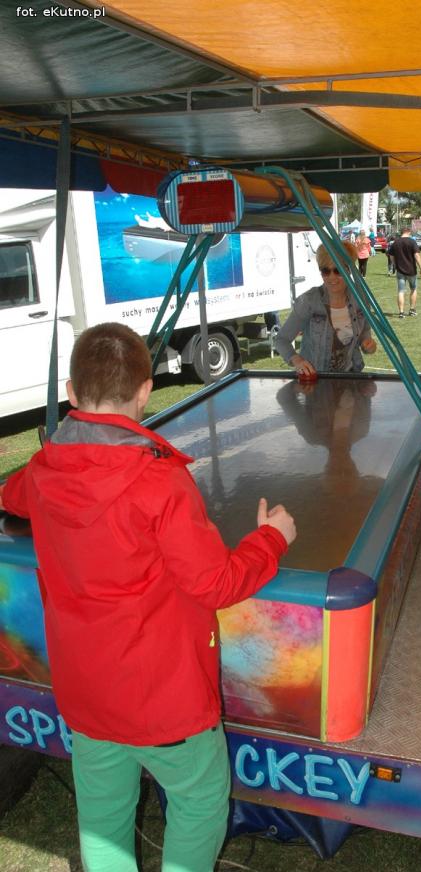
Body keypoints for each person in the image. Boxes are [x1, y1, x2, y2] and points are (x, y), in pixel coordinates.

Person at [0, 323, 296, 872]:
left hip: (88, 698)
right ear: (144, 391)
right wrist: (272, 538)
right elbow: (216, 582)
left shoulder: (42, 471)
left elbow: (13, 496)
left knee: (103, 819)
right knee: (199, 803)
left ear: (71, 391)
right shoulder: (158, 482)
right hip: (166, 703)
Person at [275, 241, 377, 375]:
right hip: (316, 379)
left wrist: (367, 344)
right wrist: (297, 360)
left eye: (338, 270)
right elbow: (281, 340)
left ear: (349, 270)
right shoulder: (309, 301)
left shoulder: (361, 298)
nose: (332, 277)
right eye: (325, 271)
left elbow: (364, 332)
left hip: (350, 376)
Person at [389, 227, 421, 318]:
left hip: (400, 270)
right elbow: (417, 255)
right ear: (408, 232)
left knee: (401, 291)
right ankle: (412, 310)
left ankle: (401, 312)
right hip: (411, 270)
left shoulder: (396, 242)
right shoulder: (412, 242)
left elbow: (391, 255)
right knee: (413, 289)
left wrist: (395, 265)